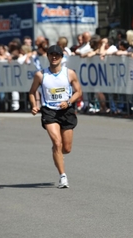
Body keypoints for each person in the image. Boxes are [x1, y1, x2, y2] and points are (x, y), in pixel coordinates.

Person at [28, 45, 83, 188]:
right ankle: (63, 177)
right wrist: (34, 105)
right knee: (57, 143)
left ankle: (57, 152)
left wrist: (69, 101)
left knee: (67, 148)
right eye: (51, 55)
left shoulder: (69, 73)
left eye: (57, 55)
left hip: (66, 111)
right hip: (49, 111)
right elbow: (32, 91)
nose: (54, 57)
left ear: (61, 57)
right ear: (47, 56)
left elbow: (78, 92)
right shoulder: (40, 75)